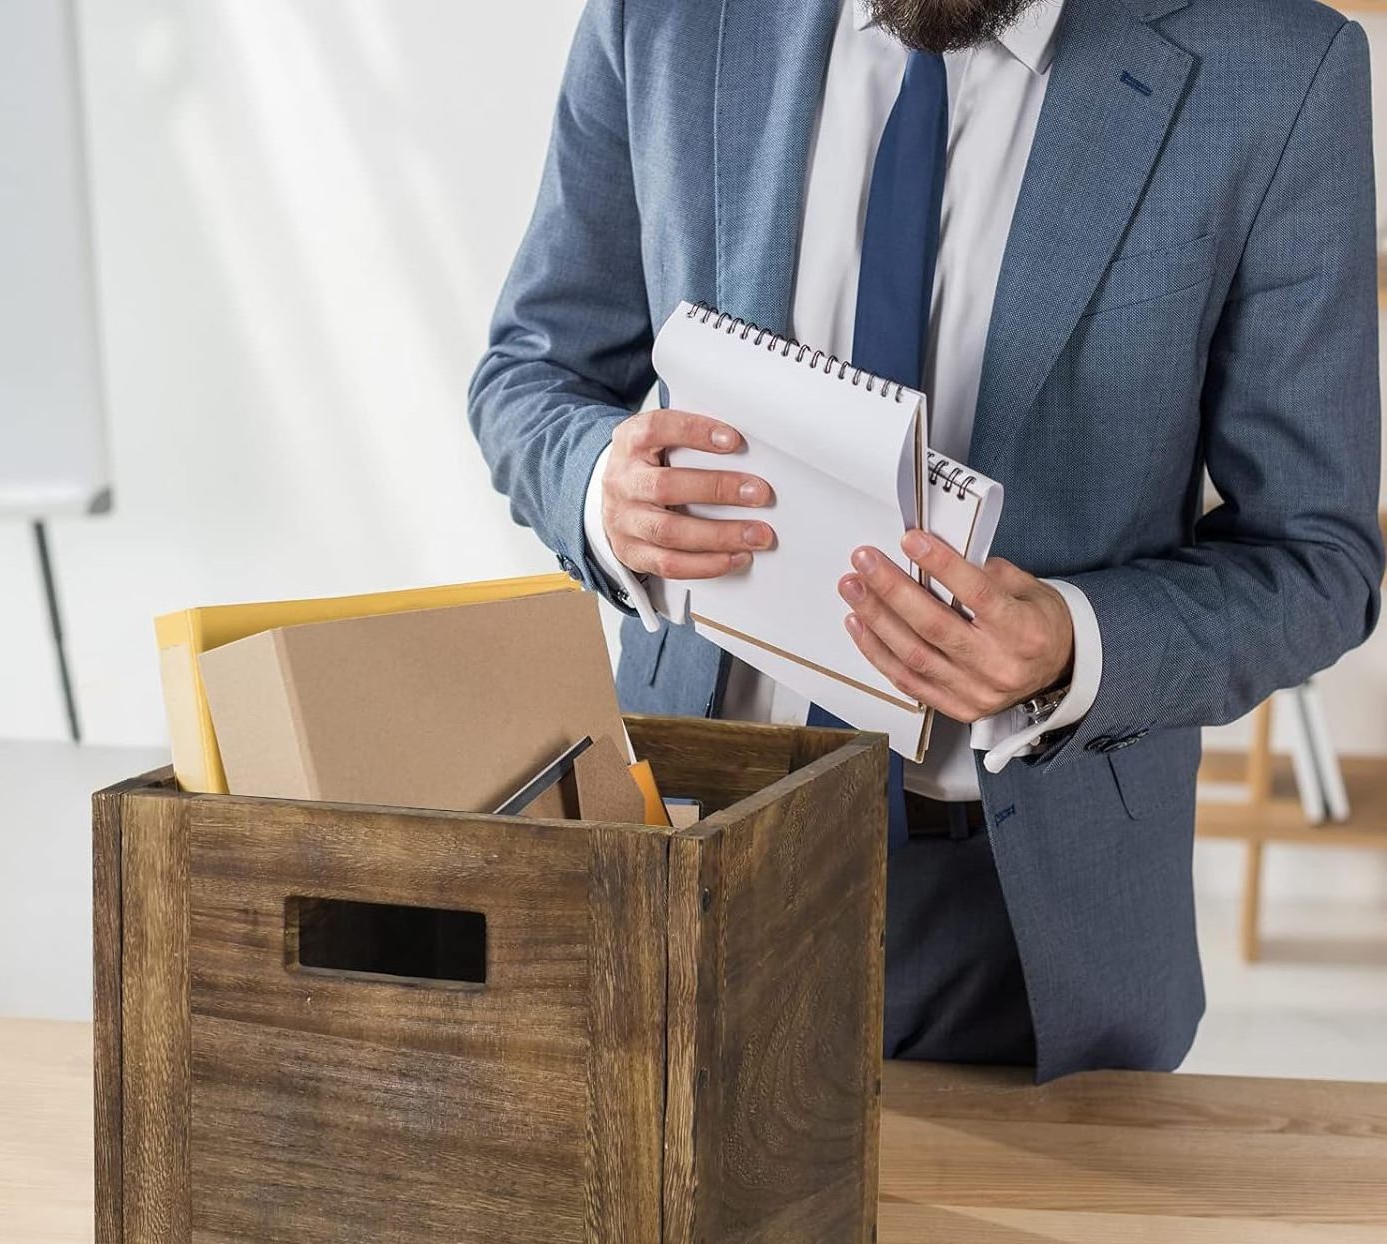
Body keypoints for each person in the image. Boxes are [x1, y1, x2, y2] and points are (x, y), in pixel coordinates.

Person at [468, 0, 1384, 1080]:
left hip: (1021, 927)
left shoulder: (1278, 71)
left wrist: (1075, 646)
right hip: (673, 854)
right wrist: (598, 490)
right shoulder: (662, 19)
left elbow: (1316, 555)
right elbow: (534, 371)